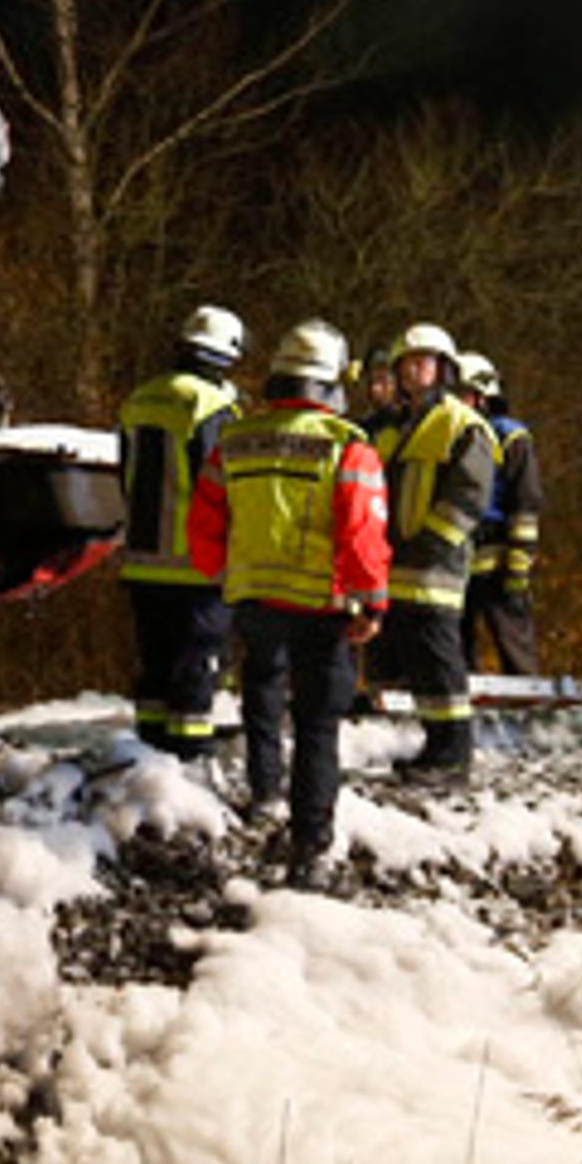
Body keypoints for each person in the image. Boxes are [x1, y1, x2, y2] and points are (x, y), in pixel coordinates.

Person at [188, 320, 389, 885]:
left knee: (261, 695)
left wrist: (231, 574)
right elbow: (361, 534)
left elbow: (203, 527)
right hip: (322, 608)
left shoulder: (235, 440)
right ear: (331, 379)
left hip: (252, 601)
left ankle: (264, 790)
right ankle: (310, 844)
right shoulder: (348, 446)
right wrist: (370, 603)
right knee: (318, 727)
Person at [115, 302, 247, 754]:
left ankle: (150, 751)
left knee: (155, 664)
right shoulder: (211, 405)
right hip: (196, 563)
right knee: (196, 666)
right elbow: (222, 484)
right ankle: (191, 757)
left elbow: (123, 473)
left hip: (142, 559)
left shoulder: (140, 399)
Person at [370, 323, 498, 778]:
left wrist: (431, 543)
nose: (413, 370)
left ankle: (454, 755)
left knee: (441, 662)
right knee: (420, 664)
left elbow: (470, 494)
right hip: (399, 566)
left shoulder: (462, 425)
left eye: (423, 361)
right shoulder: (393, 429)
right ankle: (436, 748)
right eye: (407, 362)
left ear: (444, 368)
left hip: (435, 569)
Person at [458, 350, 543, 675]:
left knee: (515, 646)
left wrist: (518, 565)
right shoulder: (453, 435)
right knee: (457, 651)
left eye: (461, 393)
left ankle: (532, 715)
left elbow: (526, 504)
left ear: (481, 396)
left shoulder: (511, 438)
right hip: (459, 561)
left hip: (499, 561)